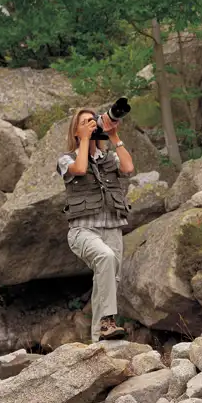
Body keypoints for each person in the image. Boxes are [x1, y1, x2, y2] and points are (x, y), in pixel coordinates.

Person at [56, 108, 135, 342]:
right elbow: (80, 169)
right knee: (106, 258)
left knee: (109, 277)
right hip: (83, 230)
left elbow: (128, 168)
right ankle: (109, 321)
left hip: (112, 228)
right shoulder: (66, 159)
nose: (92, 124)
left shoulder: (109, 158)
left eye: (94, 121)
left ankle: (98, 340)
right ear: (76, 130)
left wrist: (113, 136)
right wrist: (85, 140)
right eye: (85, 122)